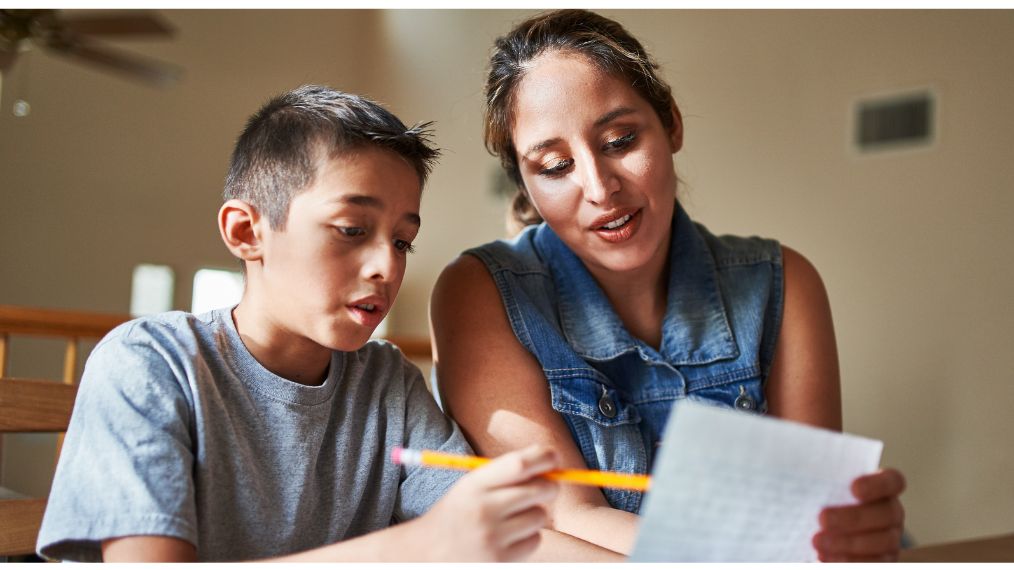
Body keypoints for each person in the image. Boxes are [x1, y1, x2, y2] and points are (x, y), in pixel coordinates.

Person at [430, 10, 906, 562]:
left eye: (620, 140)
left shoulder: (783, 283)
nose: (599, 188)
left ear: (673, 124)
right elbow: (563, 518)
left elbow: (812, 519)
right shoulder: (480, 293)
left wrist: (846, 534)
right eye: (556, 166)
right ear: (526, 184)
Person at [36, 85, 559, 562]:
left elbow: (497, 543)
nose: (387, 266)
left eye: (403, 241)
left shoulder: (388, 384)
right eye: (352, 229)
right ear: (246, 232)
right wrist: (420, 543)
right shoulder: (149, 363)